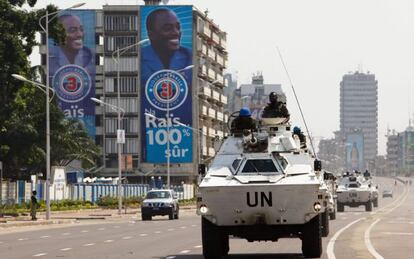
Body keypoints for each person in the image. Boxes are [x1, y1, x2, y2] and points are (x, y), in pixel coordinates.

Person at [141, 8, 192, 84]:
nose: (176, 33)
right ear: (151, 35)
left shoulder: (189, 56)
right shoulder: (139, 58)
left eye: (178, 27)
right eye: (168, 28)